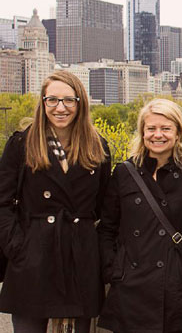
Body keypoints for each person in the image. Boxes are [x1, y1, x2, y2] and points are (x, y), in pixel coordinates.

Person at [0, 71, 110, 332]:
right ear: (43, 103)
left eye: (68, 101)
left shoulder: (98, 147)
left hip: (79, 258)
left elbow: (106, 208)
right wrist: (18, 246)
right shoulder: (22, 144)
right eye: (52, 100)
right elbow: (2, 202)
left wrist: (98, 254)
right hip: (33, 259)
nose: (60, 108)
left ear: (80, 103)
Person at [98, 98, 182, 333]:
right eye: (151, 128)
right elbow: (107, 228)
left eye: (165, 128)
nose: (157, 135)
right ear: (142, 132)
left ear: (177, 132)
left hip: (173, 291)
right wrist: (113, 270)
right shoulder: (124, 173)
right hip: (130, 287)